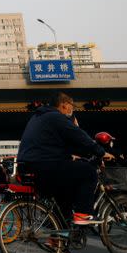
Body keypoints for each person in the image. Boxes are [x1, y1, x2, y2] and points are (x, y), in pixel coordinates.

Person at [18, 92, 112, 225]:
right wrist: (101, 152)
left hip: (29, 165)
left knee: (64, 195)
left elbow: (61, 143)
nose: (72, 108)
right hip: (44, 165)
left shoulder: (39, 116)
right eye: (71, 105)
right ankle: (83, 214)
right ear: (64, 104)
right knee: (89, 172)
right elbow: (79, 136)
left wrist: (75, 155)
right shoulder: (56, 117)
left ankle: (57, 237)